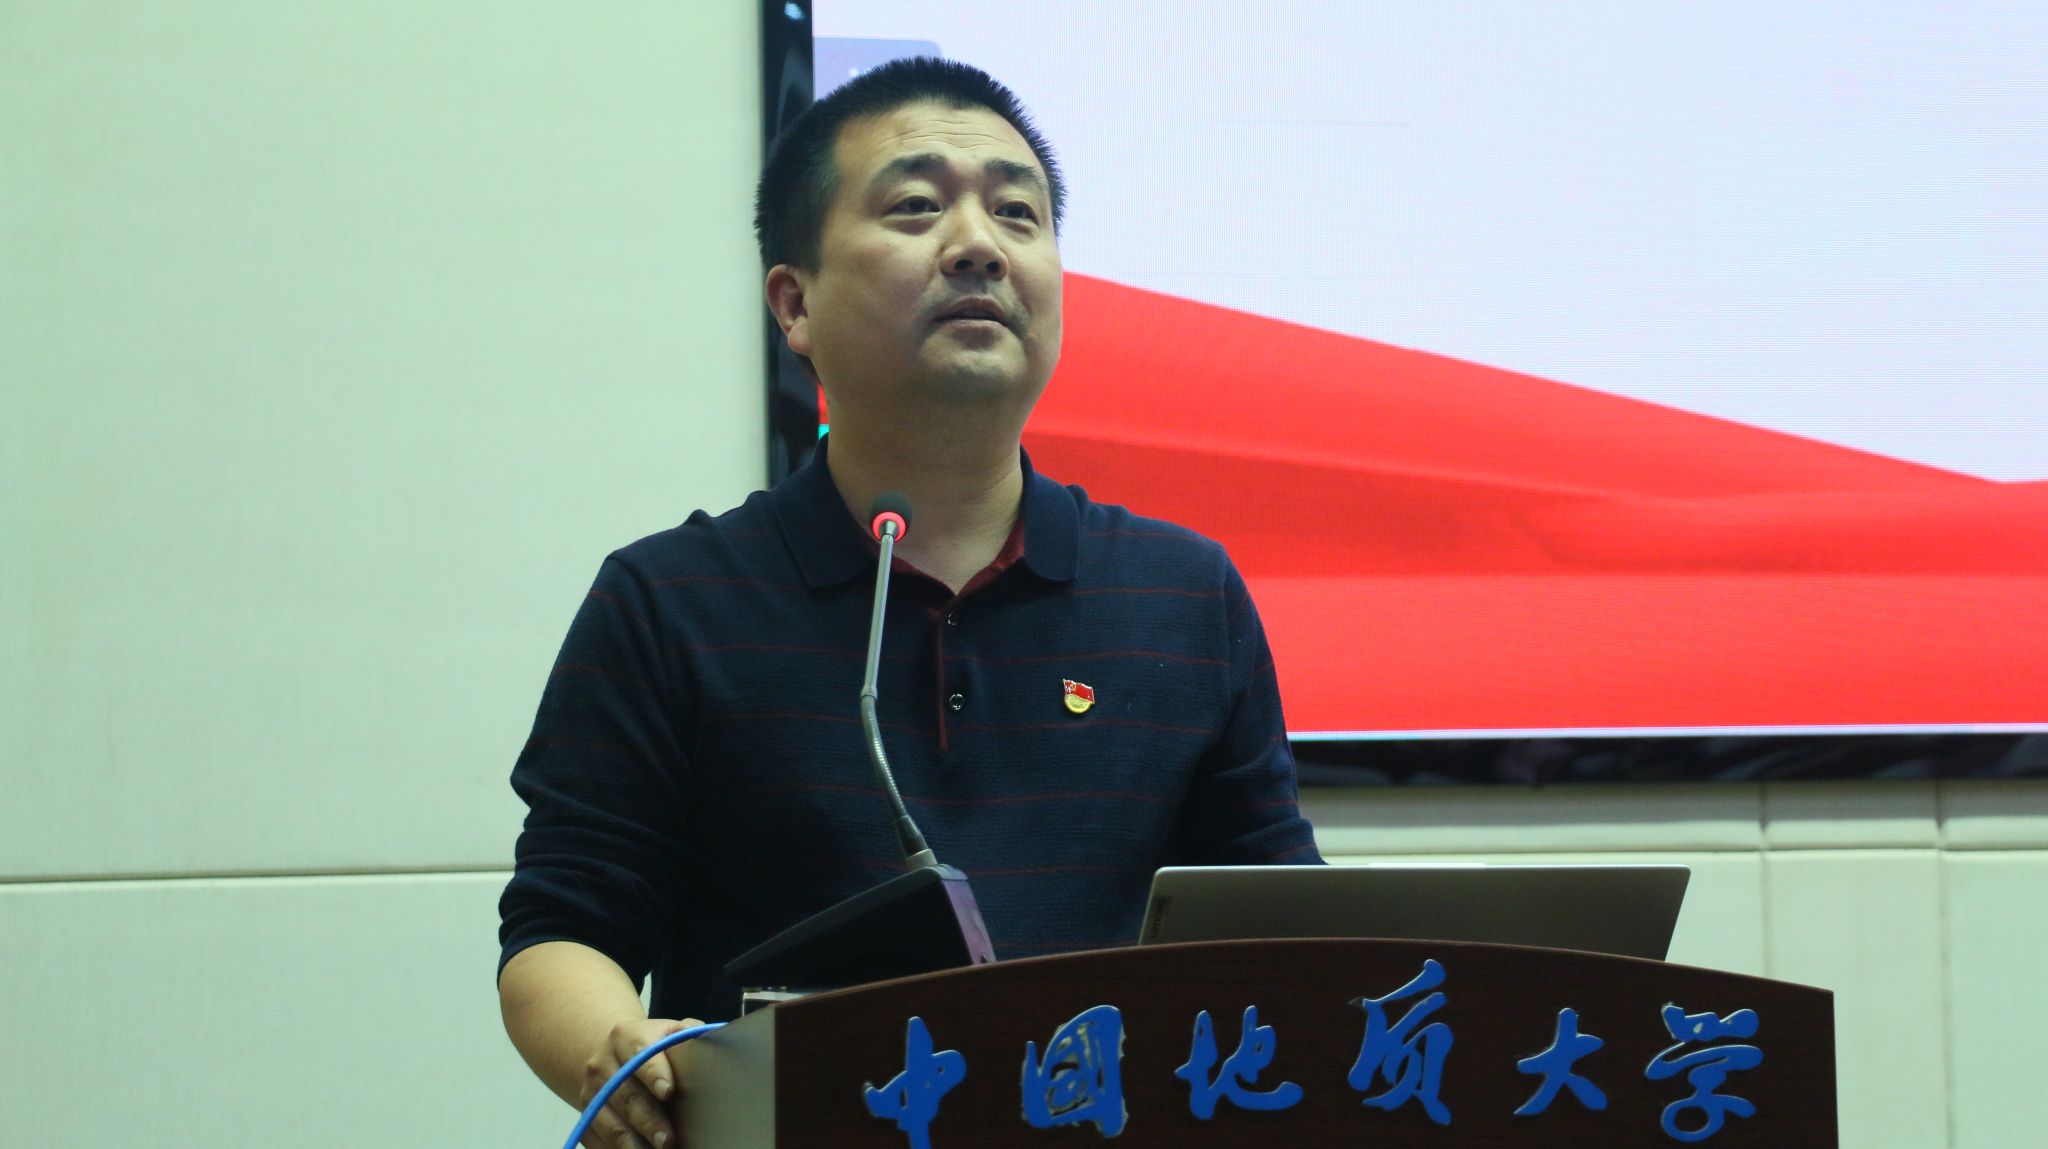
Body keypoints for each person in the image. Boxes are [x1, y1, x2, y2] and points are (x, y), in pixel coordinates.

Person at [496, 57, 1320, 1149]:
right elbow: (561, 931)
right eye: (917, 206)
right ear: (794, 303)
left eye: (1017, 213)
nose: (979, 244)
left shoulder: (1183, 595)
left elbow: (1282, 931)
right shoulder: (669, 600)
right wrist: (625, 1056)